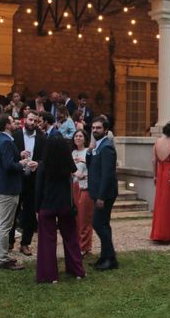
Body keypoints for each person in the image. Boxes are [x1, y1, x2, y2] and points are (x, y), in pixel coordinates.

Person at [0, 115, 37, 270]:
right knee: (4, 225)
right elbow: (8, 166)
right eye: (12, 121)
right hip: (7, 188)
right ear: (7, 125)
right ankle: (2, 258)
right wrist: (22, 163)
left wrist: (18, 155)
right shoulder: (6, 141)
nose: (15, 123)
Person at [35, 135, 85, 283]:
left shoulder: (43, 165)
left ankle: (49, 275)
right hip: (65, 205)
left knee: (47, 242)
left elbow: (38, 189)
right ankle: (77, 270)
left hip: (47, 205)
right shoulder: (67, 164)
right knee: (71, 239)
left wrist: (37, 208)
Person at [12, 111, 47, 256]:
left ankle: (25, 243)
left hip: (33, 180)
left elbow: (45, 159)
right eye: (30, 119)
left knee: (30, 213)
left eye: (34, 120)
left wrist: (37, 164)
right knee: (12, 211)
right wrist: (19, 157)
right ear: (24, 120)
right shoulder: (16, 136)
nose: (32, 123)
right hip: (17, 178)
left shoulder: (41, 138)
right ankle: (9, 241)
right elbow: (10, 156)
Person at [86, 115, 119, 271]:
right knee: (103, 224)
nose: (95, 130)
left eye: (98, 128)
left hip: (104, 194)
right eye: (93, 128)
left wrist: (101, 197)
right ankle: (105, 256)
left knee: (98, 224)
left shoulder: (106, 147)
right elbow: (91, 166)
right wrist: (89, 151)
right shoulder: (97, 146)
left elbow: (107, 174)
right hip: (98, 192)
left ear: (105, 130)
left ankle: (110, 258)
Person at [72, 129, 94, 257]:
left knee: (85, 217)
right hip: (74, 186)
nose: (78, 138)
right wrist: (75, 172)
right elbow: (68, 168)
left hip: (86, 186)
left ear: (85, 139)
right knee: (76, 217)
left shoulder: (88, 152)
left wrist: (84, 161)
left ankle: (85, 247)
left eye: (80, 136)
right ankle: (77, 244)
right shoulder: (72, 152)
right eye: (76, 136)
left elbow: (94, 167)